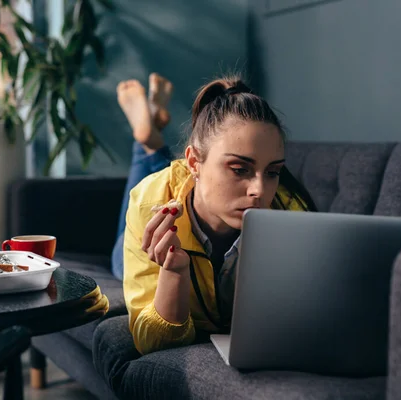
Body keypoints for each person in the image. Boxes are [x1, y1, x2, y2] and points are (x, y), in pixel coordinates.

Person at [111, 73, 318, 356]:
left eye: (272, 172)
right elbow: (151, 344)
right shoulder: (150, 204)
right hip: (154, 220)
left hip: (194, 183)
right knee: (119, 257)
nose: (259, 190)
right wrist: (173, 272)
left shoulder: (292, 213)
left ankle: (152, 134)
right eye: (239, 169)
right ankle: (147, 142)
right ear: (193, 161)